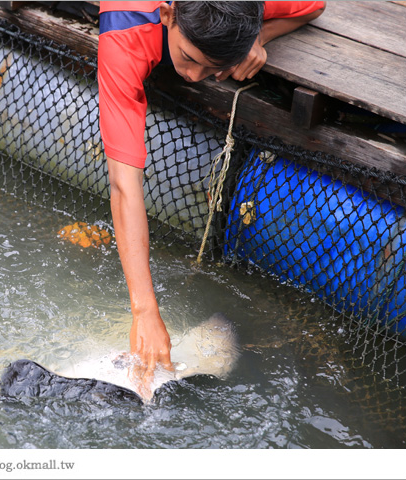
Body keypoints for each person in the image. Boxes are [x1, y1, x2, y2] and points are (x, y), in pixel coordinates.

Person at [97, 1, 326, 390]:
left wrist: (260, 35)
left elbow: (314, 6)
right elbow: (123, 184)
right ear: (168, 16)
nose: (194, 75)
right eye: (189, 57)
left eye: (215, 68)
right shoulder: (126, 35)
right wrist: (144, 311)